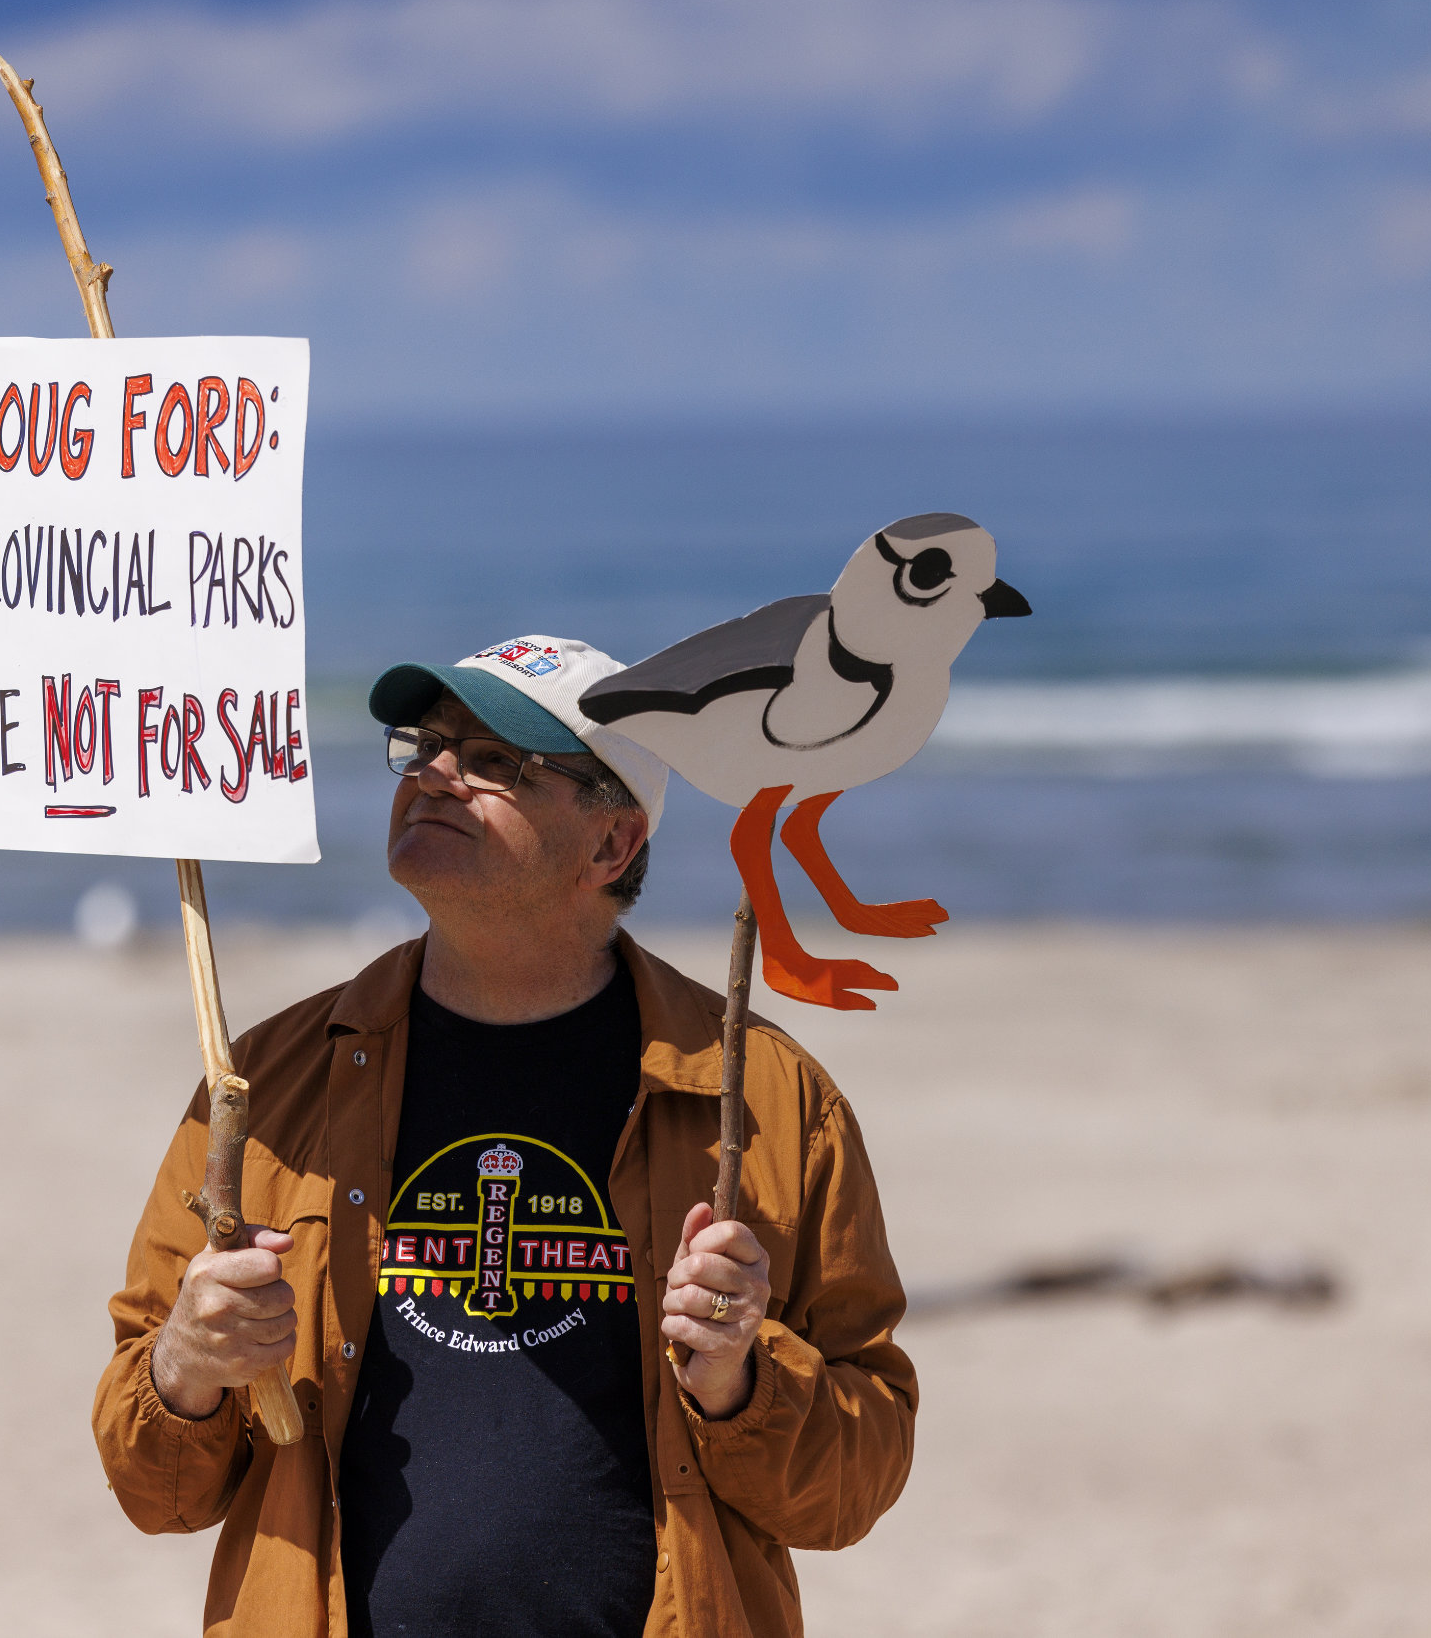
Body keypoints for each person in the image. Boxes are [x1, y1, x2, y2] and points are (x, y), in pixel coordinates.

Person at [94, 634, 916, 1638]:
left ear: (612, 844)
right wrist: (186, 1366)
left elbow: (855, 1484)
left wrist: (741, 1379)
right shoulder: (268, 1085)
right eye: (428, 742)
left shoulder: (764, 1098)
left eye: (494, 761)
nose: (437, 773)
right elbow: (154, 1485)